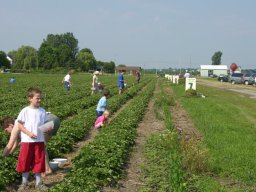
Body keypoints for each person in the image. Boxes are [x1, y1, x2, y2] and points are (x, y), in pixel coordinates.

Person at [15, 87, 52, 191]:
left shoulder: (42, 111)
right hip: (27, 141)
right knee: (25, 161)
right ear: (30, 98)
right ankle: (24, 183)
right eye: (37, 98)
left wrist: (47, 129)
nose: (39, 100)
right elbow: (19, 125)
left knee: (39, 161)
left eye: (40, 98)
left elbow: (44, 124)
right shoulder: (25, 111)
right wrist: (29, 133)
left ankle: (39, 183)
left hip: (39, 141)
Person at [1, 113, 60, 177]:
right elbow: (15, 144)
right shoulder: (20, 123)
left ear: (10, 125)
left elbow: (9, 145)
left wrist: (2, 157)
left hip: (48, 121)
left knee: (40, 147)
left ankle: (47, 169)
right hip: (54, 119)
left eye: (6, 130)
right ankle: (46, 168)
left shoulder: (16, 126)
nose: (7, 133)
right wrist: (8, 155)